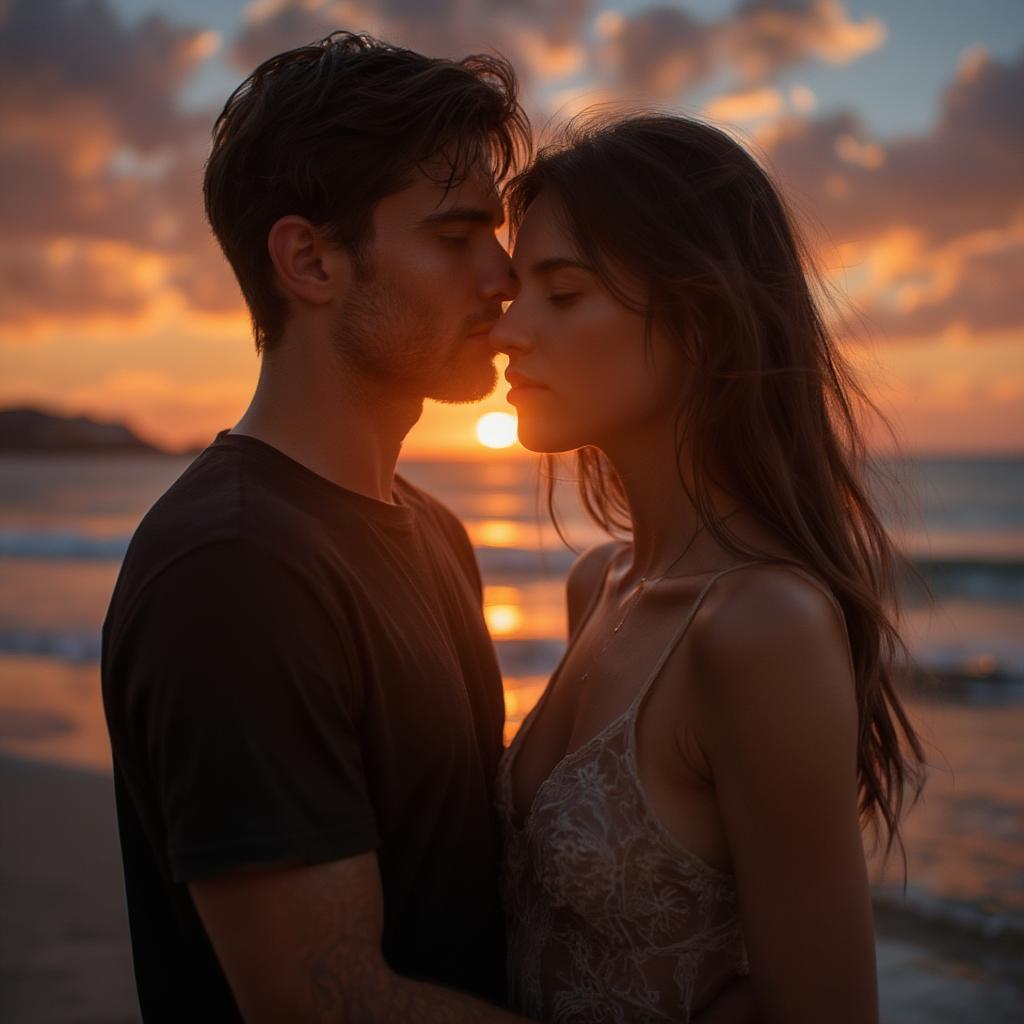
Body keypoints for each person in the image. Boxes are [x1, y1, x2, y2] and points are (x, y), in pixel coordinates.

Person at [102, 31, 531, 1021]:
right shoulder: (236, 571)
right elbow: (330, 1004)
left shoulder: (432, 532)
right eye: (457, 234)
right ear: (309, 259)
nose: (503, 275)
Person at [491, 113, 927, 1024]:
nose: (508, 332)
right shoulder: (600, 584)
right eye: (515, 290)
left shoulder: (762, 630)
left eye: (561, 295)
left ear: (702, 321)